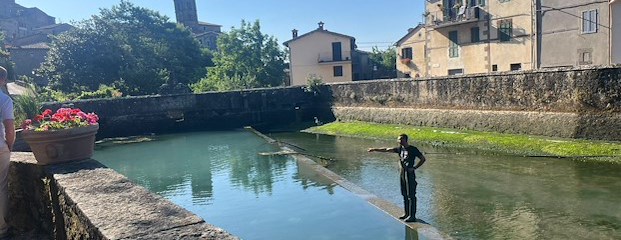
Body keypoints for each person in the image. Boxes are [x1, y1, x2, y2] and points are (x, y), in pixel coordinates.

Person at [368, 134, 426, 222]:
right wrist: (375, 149)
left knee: (411, 195)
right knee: (404, 194)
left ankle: (412, 216)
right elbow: (386, 149)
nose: (399, 141)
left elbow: (422, 159)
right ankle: (406, 213)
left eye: (401, 140)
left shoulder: (413, 149)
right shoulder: (400, 149)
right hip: (402, 173)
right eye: (398, 140)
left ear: (405, 140)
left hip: (410, 174)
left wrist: (414, 168)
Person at [0, 66, 15, 238]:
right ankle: (2, 228)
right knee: (1, 187)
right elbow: (10, 129)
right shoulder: (4, 99)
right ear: (3, 80)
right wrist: (9, 145)